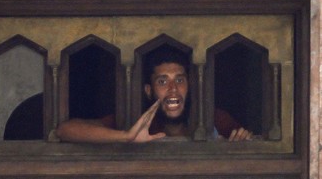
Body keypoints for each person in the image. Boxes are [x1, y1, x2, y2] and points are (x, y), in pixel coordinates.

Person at [56, 47, 252, 143]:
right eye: (163, 82)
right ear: (149, 91)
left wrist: (241, 143)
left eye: (180, 80)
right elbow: (65, 130)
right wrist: (126, 136)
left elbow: (248, 145)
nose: (173, 89)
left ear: (190, 86)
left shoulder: (215, 120)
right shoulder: (138, 121)